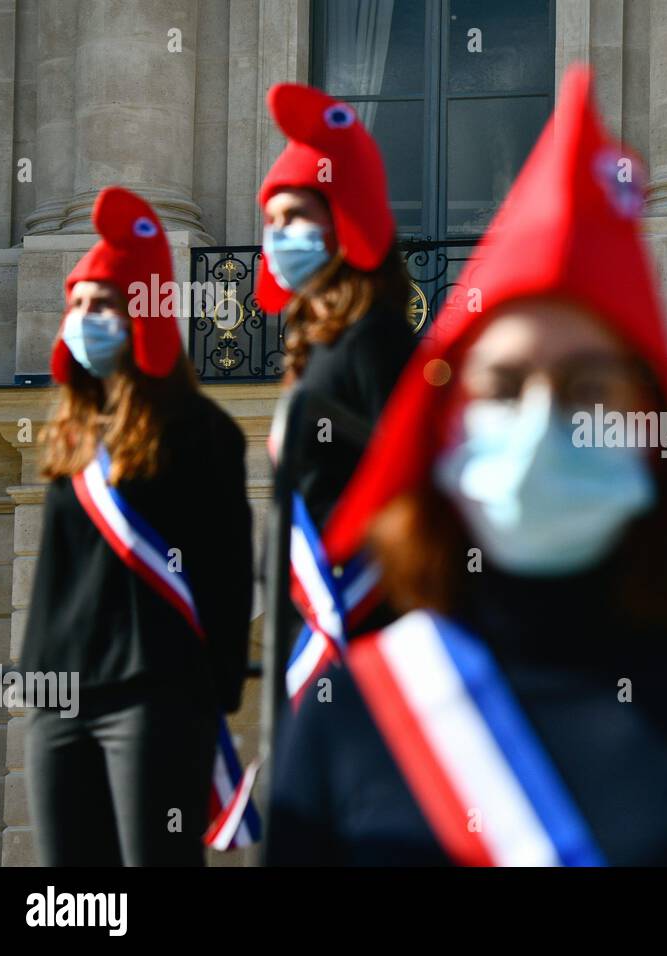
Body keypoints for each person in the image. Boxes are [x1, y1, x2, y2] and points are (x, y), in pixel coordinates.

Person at [266, 65, 667, 866]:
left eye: (587, 386)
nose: (541, 418)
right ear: (445, 427)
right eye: (501, 385)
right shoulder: (350, 716)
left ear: (650, 421)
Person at [23, 187, 254, 865]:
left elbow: (227, 574)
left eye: (103, 304)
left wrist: (213, 692)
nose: (84, 318)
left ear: (142, 316)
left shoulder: (202, 432)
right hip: (59, 698)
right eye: (78, 305)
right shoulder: (68, 433)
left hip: (157, 699)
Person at [255, 83, 420, 700]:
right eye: (270, 221)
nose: (277, 236)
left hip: (365, 630)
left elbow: (415, 481)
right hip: (307, 620)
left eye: (294, 216)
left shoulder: (376, 339)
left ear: (342, 218)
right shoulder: (318, 345)